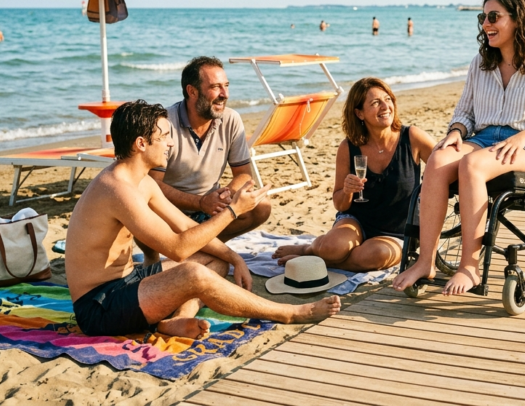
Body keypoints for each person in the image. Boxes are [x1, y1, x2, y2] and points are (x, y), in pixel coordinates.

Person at [66, 100, 340, 338]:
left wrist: (235, 258)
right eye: (164, 137)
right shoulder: (117, 189)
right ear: (141, 143)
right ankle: (289, 313)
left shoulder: (141, 181)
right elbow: (178, 248)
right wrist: (233, 210)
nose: (170, 143)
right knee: (193, 273)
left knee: (215, 260)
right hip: (99, 306)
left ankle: (176, 319)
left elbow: (186, 226)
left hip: (128, 281)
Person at [392, 0, 525, 296]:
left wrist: (524, 136)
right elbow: (464, 113)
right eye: (483, 17)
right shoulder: (481, 62)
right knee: (438, 158)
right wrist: (456, 132)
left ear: (517, 18)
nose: (486, 24)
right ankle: (425, 261)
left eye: (493, 17)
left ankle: (469, 266)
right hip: (484, 137)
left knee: (472, 165)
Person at [271, 78, 435, 271]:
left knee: (375, 256)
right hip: (357, 222)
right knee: (332, 247)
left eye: (388, 99)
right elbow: (340, 204)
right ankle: (308, 249)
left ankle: (313, 260)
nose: (385, 106)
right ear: (359, 113)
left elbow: (443, 165)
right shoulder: (348, 147)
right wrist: (347, 191)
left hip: (398, 231)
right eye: (375, 103)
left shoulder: (412, 138)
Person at [145, 57, 271, 264]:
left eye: (226, 86)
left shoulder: (231, 119)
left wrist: (225, 195)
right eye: (215, 87)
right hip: (168, 213)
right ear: (192, 91)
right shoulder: (165, 123)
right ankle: (155, 257)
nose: (225, 94)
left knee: (261, 206)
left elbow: (243, 174)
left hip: (210, 211)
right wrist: (200, 202)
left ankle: (205, 248)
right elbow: (151, 184)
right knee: (141, 208)